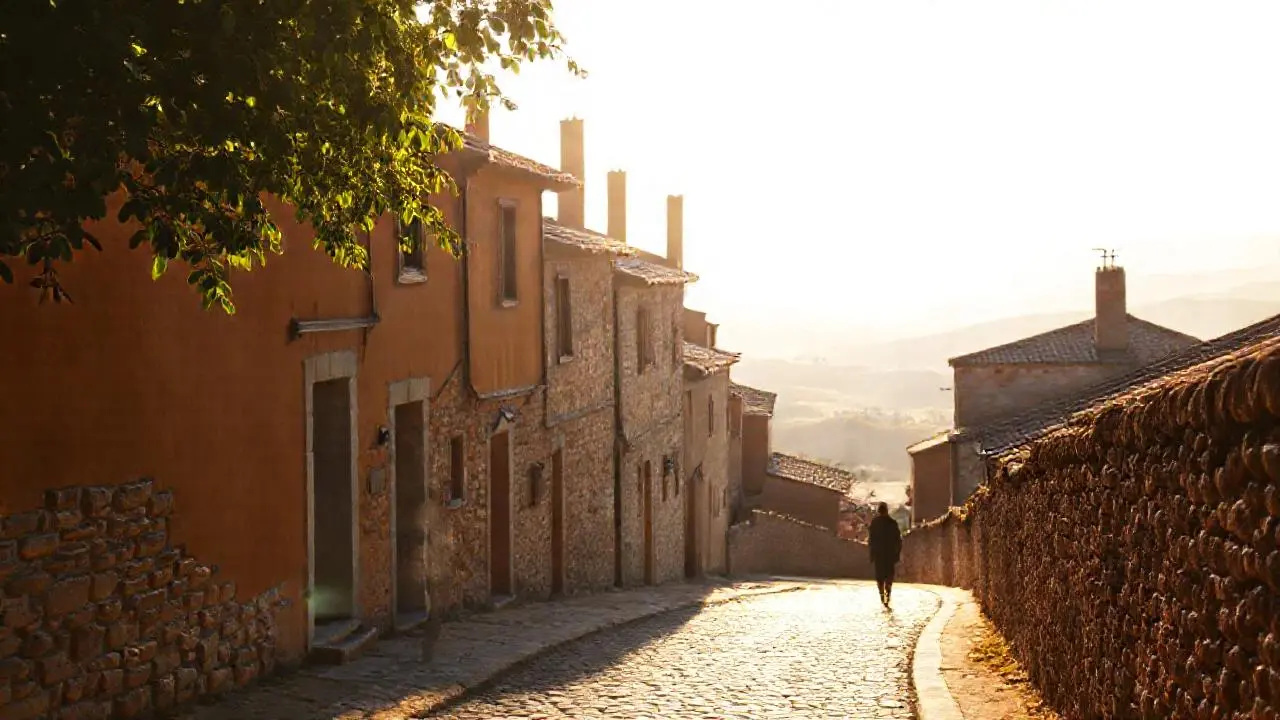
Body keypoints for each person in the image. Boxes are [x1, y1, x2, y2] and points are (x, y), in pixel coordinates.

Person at [867, 502, 902, 607]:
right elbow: (898, 540)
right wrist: (897, 554)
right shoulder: (892, 523)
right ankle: (888, 594)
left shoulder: (875, 523)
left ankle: (882, 594)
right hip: (889, 554)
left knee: (879, 577)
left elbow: (871, 540)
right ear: (886, 510)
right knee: (889, 576)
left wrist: (871, 554)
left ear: (879, 511)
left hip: (879, 554)